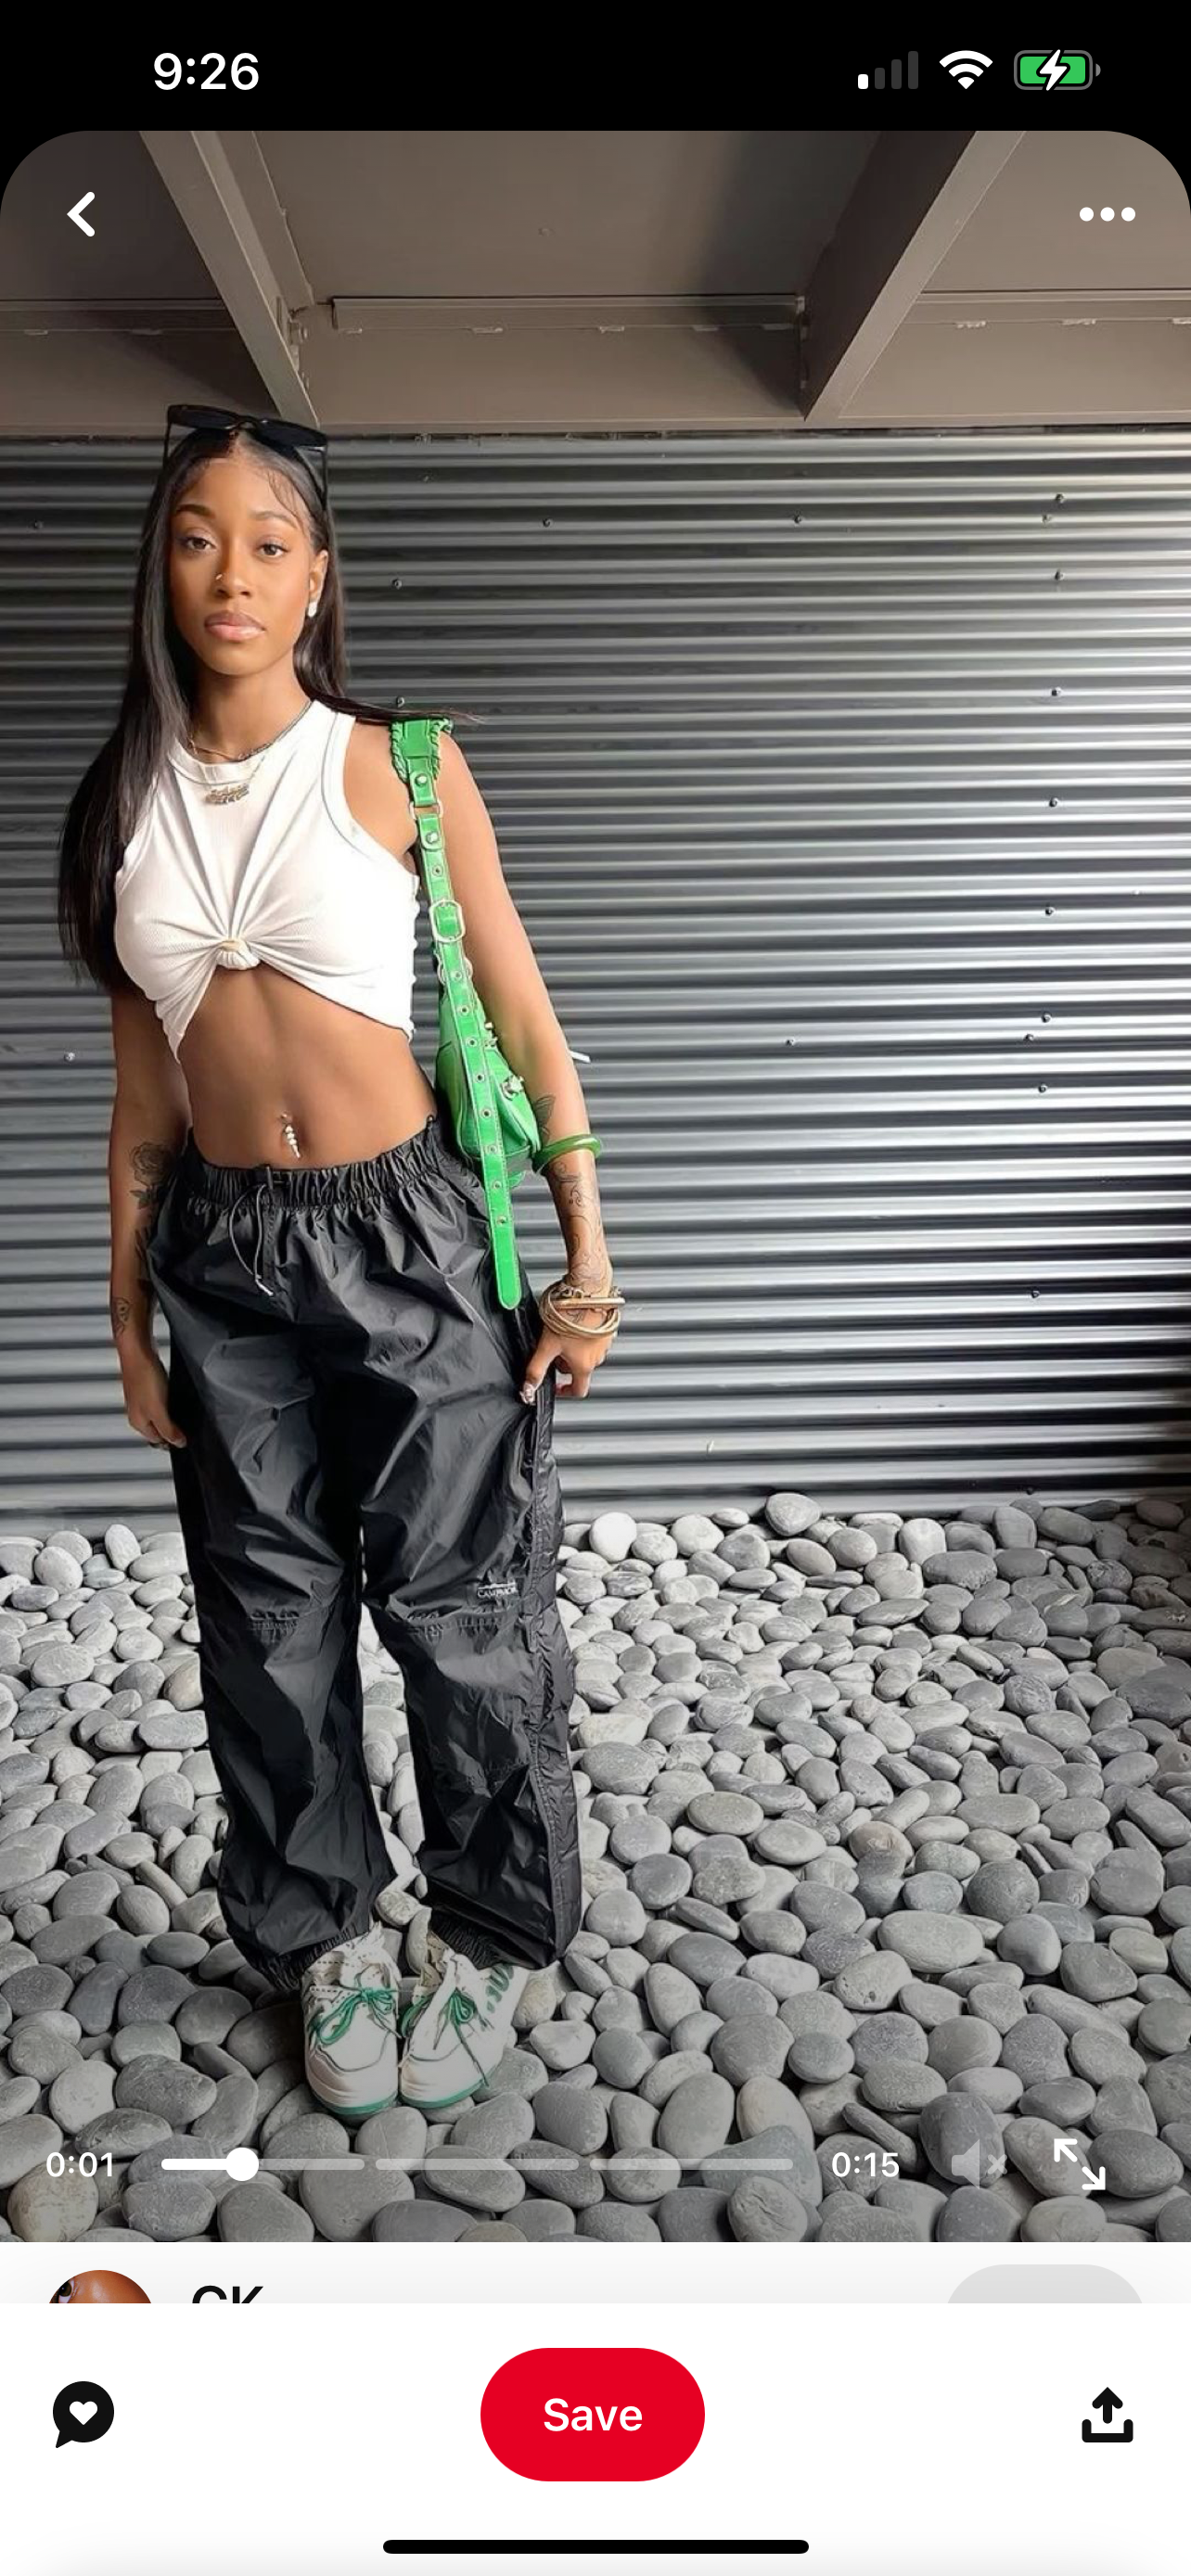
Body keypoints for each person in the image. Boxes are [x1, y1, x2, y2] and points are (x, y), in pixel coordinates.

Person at [58, 406, 620, 2121]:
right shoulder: (123, 806)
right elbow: (146, 1097)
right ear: (161, 569)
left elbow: (523, 1014)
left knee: (463, 1606)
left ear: (317, 580)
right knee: (265, 1614)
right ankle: (320, 1931)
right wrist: (129, 1314)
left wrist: (588, 1252)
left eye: (270, 542)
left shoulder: (400, 767)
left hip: (412, 1233)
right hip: (223, 1260)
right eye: (198, 537)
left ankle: (495, 1926)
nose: (232, 572)